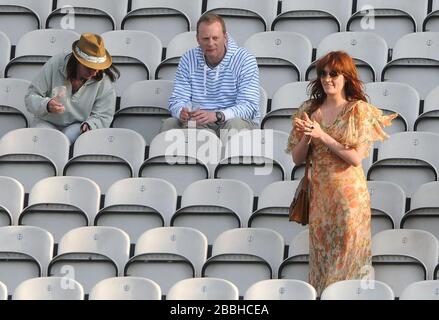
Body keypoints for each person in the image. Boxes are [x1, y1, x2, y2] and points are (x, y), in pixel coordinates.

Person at [286, 51, 397, 296]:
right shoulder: (309, 109)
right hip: (321, 199)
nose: (328, 79)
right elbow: (296, 157)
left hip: (349, 200)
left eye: (334, 73)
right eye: (323, 74)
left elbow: (355, 158)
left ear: (346, 77)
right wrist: (307, 134)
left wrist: (322, 135)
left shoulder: (358, 110)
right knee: (322, 263)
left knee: (348, 262)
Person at [160, 13, 260, 137]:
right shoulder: (188, 59)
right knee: (170, 124)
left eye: (215, 38)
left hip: (234, 120)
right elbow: (177, 99)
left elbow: (249, 107)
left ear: (225, 37)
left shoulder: (245, 59)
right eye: (205, 39)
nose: (211, 43)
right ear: (198, 39)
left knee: (233, 125)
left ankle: (226, 156)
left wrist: (217, 115)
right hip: (200, 122)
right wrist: (182, 112)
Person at [25, 32, 119, 144]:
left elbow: (104, 114)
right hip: (45, 122)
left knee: (72, 137)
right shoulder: (55, 64)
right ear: (77, 60)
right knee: (47, 137)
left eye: (98, 67)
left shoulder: (104, 79)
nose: (95, 72)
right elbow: (30, 97)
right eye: (89, 66)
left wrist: (91, 125)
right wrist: (46, 105)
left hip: (78, 126)